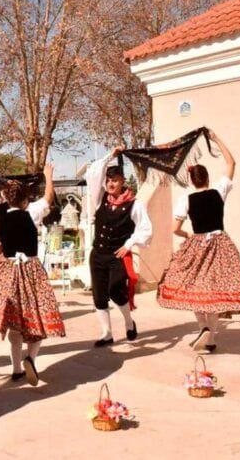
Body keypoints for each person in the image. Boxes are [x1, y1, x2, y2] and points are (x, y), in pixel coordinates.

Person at [157, 131, 240, 352]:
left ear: (192, 180)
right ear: (208, 179)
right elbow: (231, 162)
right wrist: (216, 138)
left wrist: (189, 236)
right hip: (220, 243)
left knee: (194, 289)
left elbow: (175, 229)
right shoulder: (219, 192)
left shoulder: (186, 200)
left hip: (198, 245)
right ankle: (210, 336)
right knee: (214, 292)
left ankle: (204, 329)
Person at [0, 164, 64, 385]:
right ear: (24, 200)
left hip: (10, 270)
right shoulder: (31, 212)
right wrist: (49, 176)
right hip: (31, 268)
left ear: (5, 199)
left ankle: (16, 368)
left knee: (15, 322)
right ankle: (31, 358)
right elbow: (48, 198)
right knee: (35, 317)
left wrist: (8, 250)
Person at [85, 147, 152, 347]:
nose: (110, 184)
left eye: (114, 180)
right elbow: (93, 172)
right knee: (99, 295)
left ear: (122, 181)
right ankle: (106, 333)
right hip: (98, 255)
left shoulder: (135, 204)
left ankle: (129, 323)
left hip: (117, 256)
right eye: (108, 181)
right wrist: (111, 156)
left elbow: (145, 230)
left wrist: (129, 244)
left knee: (115, 290)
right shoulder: (100, 199)